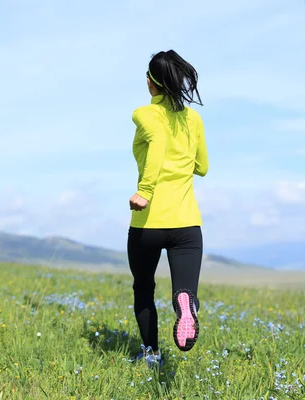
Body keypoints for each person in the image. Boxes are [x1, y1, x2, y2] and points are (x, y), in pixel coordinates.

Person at [127, 50, 208, 368]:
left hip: (149, 222)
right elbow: (202, 166)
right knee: (184, 290)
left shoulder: (145, 114)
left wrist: (145, 191)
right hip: (187, 224)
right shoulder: (194, 118)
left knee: (144, 288)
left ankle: (151, 354)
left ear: (151, 83)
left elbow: (158, 145)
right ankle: (186, 305)